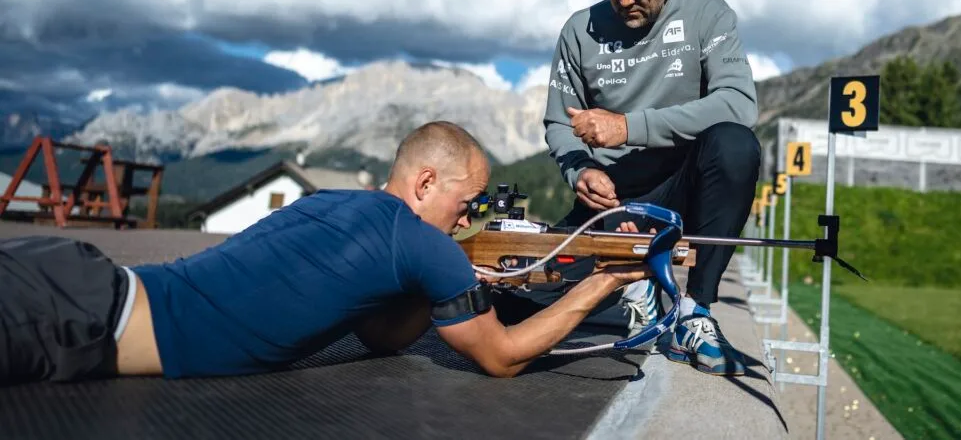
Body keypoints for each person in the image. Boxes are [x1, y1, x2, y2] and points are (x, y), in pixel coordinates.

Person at [0, 121, 650, 385]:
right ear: (426, 183)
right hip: (81, 316)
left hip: (77, 283)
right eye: (469, 201)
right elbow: (502, 358)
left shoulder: (335, 205)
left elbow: (381, 334)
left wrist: (446, 287)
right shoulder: (423, 244)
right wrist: (601, 283)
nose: (469, 217)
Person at [543, 0, 762, 376]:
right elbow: (560, 122)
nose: (624, 0)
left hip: (680, 188)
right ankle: (634, 280)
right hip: (610, 201)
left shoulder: (708, 14)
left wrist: (629, 127)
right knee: (516, 307)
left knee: (735, 145)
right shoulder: (578, 31)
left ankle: (694, 312)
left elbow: (738, 104)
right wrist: (581, 171)